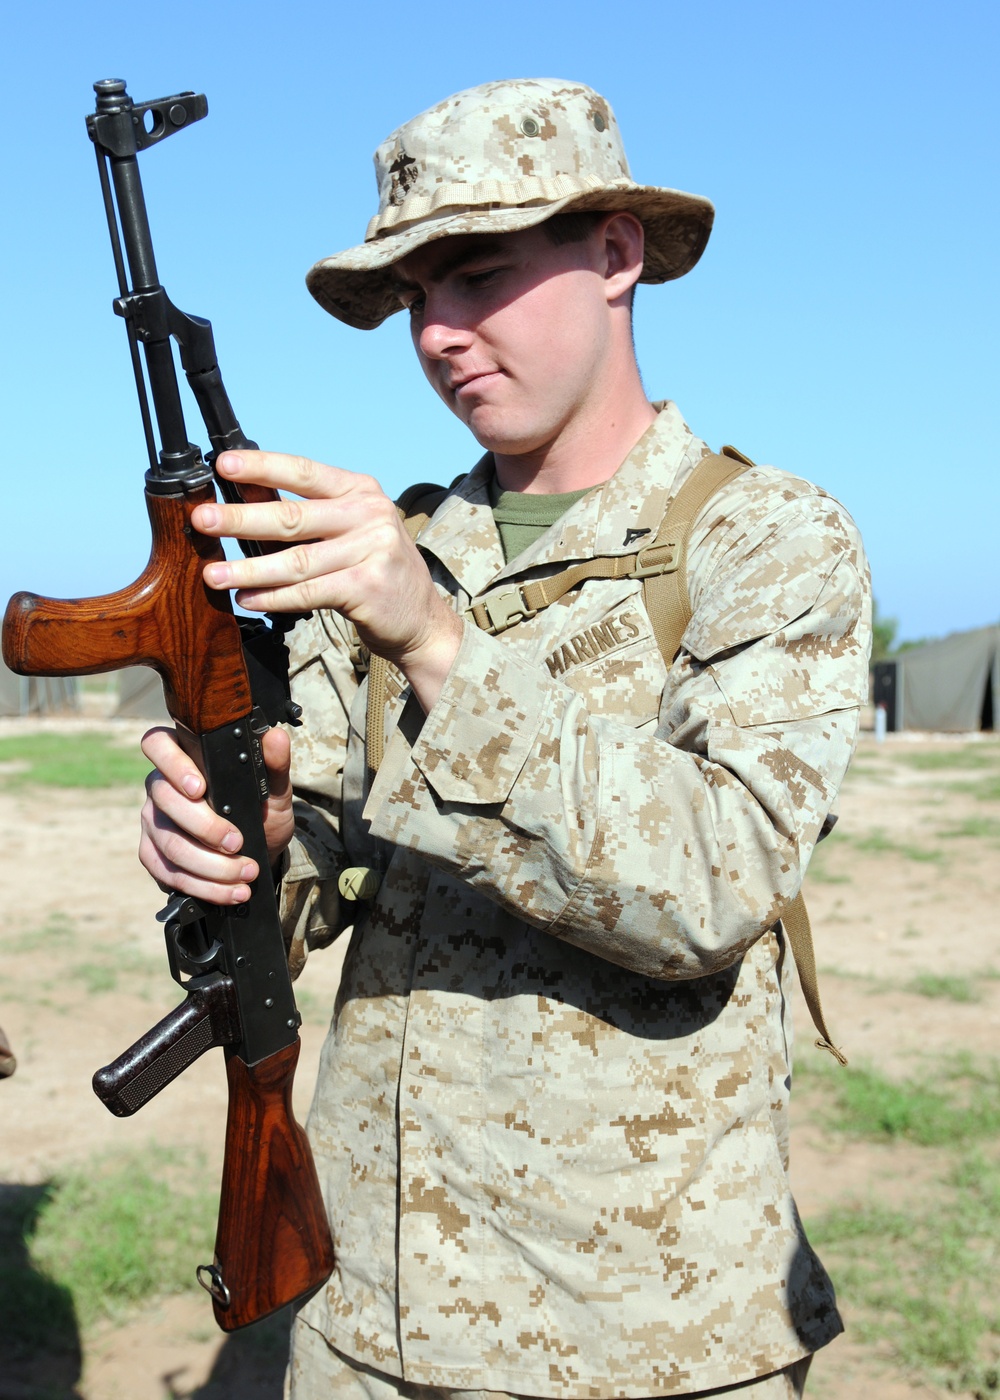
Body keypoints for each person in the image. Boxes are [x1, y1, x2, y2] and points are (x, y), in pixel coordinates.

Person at [139, 80, 871, 1398]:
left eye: (478, 276)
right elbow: (321, 857)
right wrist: (238, 840)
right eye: (415, 297)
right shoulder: (400, 547)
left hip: (640, 1338)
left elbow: (712, 885)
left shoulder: (765, 540)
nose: (440, 333)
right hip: (362, 1311)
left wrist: (434, 642)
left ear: (614, 254)